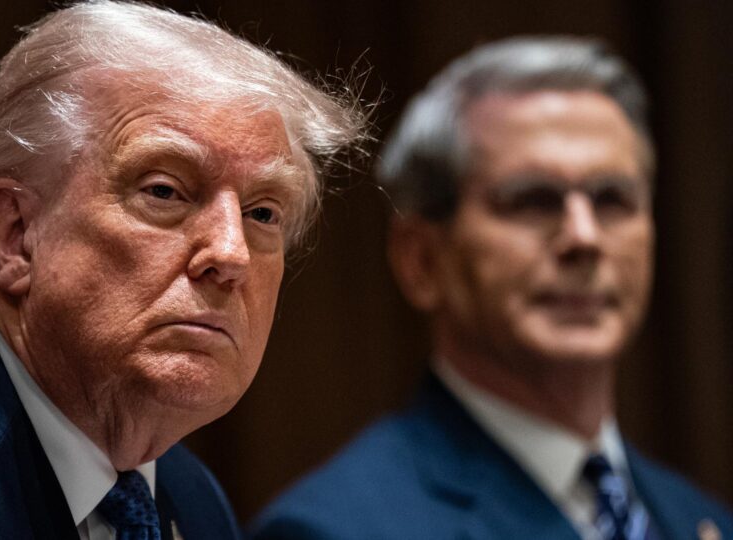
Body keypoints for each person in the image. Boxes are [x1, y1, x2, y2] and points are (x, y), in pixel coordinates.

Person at [0, 2, 365, 538]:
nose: (232, 254)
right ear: (16, 236)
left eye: (262, 213)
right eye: (164, 191)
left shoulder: (190, 497)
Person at [253, 36, 733, 540]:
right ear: (422, 260)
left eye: (612, 199)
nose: (584, 237)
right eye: (532, 200)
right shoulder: (334, 529)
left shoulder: (700, 517)